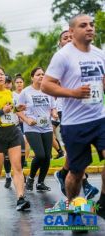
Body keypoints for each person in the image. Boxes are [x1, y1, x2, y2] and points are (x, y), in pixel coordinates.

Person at [41, 14, 105, 219]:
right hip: (75, 124)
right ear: (71, 31)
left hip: (100, 118)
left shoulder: (99, 53)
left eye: (92, 25)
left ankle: (102, 203)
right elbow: (46, 85)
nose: (89, 28)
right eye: (83, 25)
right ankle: (73, 208)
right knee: (76, 173)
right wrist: (73, 93)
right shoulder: (63, 56)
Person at [51, 29, 99, 200]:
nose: (69, 40)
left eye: (71, 37)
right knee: (79, 153)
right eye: (65, 38)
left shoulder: (88, 56)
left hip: (92, 111)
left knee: (79, 154)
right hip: (70, 113)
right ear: (60, 43)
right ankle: (79, 184)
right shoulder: (60, 59)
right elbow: (50, 86)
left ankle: (65, 173)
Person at [0, 66, 30, 211]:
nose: (1, 76)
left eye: (2, 74)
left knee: (18, 167)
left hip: (12, 131)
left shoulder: (8, 92)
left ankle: (20, 198)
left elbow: (10, 109)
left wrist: (17, 109)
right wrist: (2, 111)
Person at [17, 67, 58, 192]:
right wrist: (27, 119)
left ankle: (40, 182)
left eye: (43, 74)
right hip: (32, 127)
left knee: (47, 156)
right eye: (38, 74)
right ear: (32, 77)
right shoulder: (26, 92)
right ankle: (30, 178)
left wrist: (54, 113)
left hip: (46, 127)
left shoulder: (47, 91)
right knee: (40, 155)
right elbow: (17, 110)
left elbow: (53, 107)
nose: (41, 76)